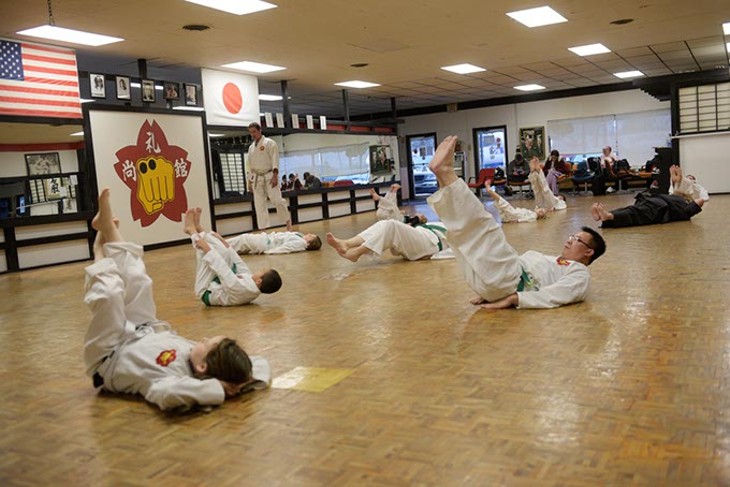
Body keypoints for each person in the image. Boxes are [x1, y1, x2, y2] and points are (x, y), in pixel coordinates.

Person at [83, 189, 270, 411]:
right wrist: (237, 383)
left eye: (206, 343)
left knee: (111, 295)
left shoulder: (173, 381)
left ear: (201, 367)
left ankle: (99, 250)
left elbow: (167, 397)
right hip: (144, 328)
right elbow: (261, 365)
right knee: (140, 280)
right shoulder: (206, 360)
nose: (202, 338)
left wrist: (219, 388)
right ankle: (108, 228)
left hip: (109, 354)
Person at [427, 135, 606, 310]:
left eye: (576, 240)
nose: (569, 240)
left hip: (513, 279)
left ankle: (446, 173)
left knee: (483, 228)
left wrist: (516, 298)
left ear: (589, 251)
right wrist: (491, 291)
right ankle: (443, 178)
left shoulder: (580, 272)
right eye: (572, 236)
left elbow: (562, 293)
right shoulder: (555, 262)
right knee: (463, 235)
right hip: (500, 281)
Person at [184, 208, 282, 306]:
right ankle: (199, 229)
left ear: (259, 281)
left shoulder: (242, 288)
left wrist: (205, 246)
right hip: (218, 283)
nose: (259, 270)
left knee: (211, 255)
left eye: (261, 271)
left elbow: (221, 268)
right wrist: (222, 241)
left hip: (205, 289)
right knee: (224, 252)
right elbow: (238, 262)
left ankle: (192, 231)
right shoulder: (253, 284)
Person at [326, 219, 452, 263]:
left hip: (430, 244)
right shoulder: (446, 221)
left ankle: (357, 252)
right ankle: (347, 243)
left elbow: (459, 251)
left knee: (392, 225)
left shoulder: (464, 231)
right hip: (422, 235)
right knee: (384, 223)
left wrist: (435, 256)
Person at [247, 122, 291, 229]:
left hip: (270, 175)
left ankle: (287, 220)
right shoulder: (251, 148)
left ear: (260, 130)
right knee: (259, 204)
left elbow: (275, 159)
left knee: (276, 199)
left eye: (254, 131)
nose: (252, 134)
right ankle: (263, 229)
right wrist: (249, 181)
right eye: (250, 132)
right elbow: (250, 166)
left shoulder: (270, 143)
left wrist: (275, 175)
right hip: (257, 178)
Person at [591, 193, 704, 228]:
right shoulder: (683, 206)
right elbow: (701, 200)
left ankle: (606, 217)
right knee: (634, 212)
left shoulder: (685, 208)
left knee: (633, 211)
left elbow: (701, 200)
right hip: (658, 206)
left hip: (658, 207)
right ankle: (606, 217)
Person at [227, 230, 322, 254]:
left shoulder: (301, 243)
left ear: (309, 243)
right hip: (265, 239)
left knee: (243, 239)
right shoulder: (299, 236)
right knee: (240, 243)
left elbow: (285, 248)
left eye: (311, 236)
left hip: (265, 243)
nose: (309, 234)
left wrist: (269, 252)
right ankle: (220, 246)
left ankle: (218, 245)